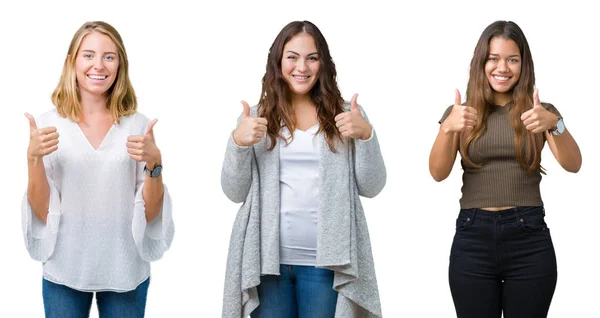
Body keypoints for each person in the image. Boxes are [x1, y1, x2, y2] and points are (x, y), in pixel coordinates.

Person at [220, 20, 386, 318]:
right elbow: (234, 192)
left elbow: (372, 186)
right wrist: (238, 143)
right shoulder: (256, 119)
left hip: (327, 264)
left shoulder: (347, 116)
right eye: (292, 57)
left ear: (323, 63)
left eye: (312, 57)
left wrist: (366, 135)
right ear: (278, 61)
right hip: (267, 263)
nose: (302, 67)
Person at [429, 20, 582, 318]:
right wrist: (447, 128)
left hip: (528, 238)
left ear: (523, 64)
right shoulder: (460, 114)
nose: (503, 68)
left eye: (512, 59)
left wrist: (555, 124)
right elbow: (437, 172)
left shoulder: (540, 113)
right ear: (481, 63)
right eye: (494, 58)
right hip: (473, 238)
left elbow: (573, 164)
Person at [22, 21, 174, 318]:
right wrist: (33, 159)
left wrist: (155, 164)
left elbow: (151, 214)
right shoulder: (48, 124)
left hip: (124, 271)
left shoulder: (137, 125)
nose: (99, 66)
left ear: (120, 65)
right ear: (72, 62)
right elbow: (42, 213)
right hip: (66, 268)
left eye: (109, 56)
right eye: (88, 55)